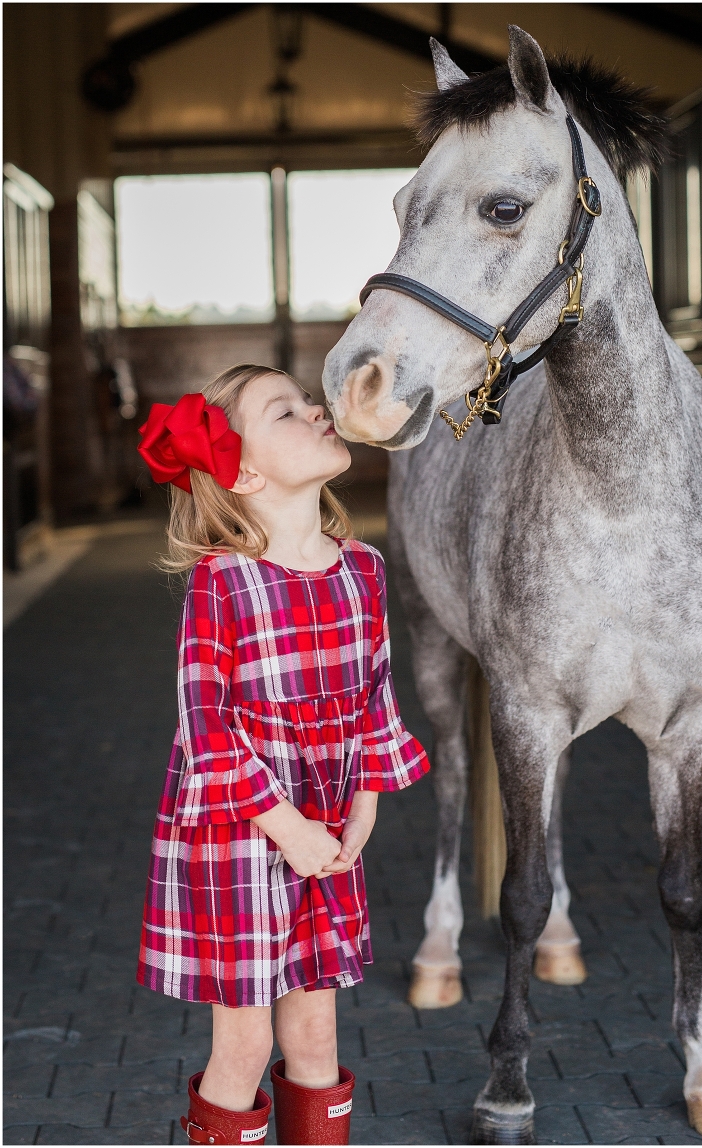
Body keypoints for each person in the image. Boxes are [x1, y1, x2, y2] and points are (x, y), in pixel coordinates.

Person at [136, 364, 429, 1146]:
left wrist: (364, 799)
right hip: (244, 832)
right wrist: (289, 829)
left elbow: (374, 695)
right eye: (287, 412)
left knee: (316, 1037)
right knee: (246, 1040)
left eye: (308, 400)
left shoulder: (362, 569)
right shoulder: (222, 584)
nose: (316, 411)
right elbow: (206, 730)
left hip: (326, 827)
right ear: (245, 469)